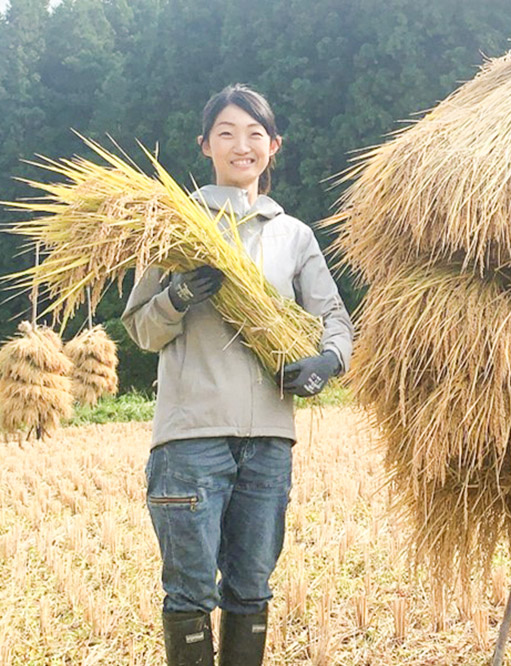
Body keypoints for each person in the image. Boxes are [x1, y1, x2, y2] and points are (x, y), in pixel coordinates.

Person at [123, 83, 354, 666]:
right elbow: (141, 330)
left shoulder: (293, 235)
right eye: (226, 132)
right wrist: (176, 296)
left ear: (273, 146)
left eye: (254, 134)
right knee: (191, 591)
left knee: (251, 588)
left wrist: (327, 361)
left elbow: (334, 320)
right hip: (191, 439)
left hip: (269, 442)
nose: (241, 145)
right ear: (205, 145)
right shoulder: (173, 228)